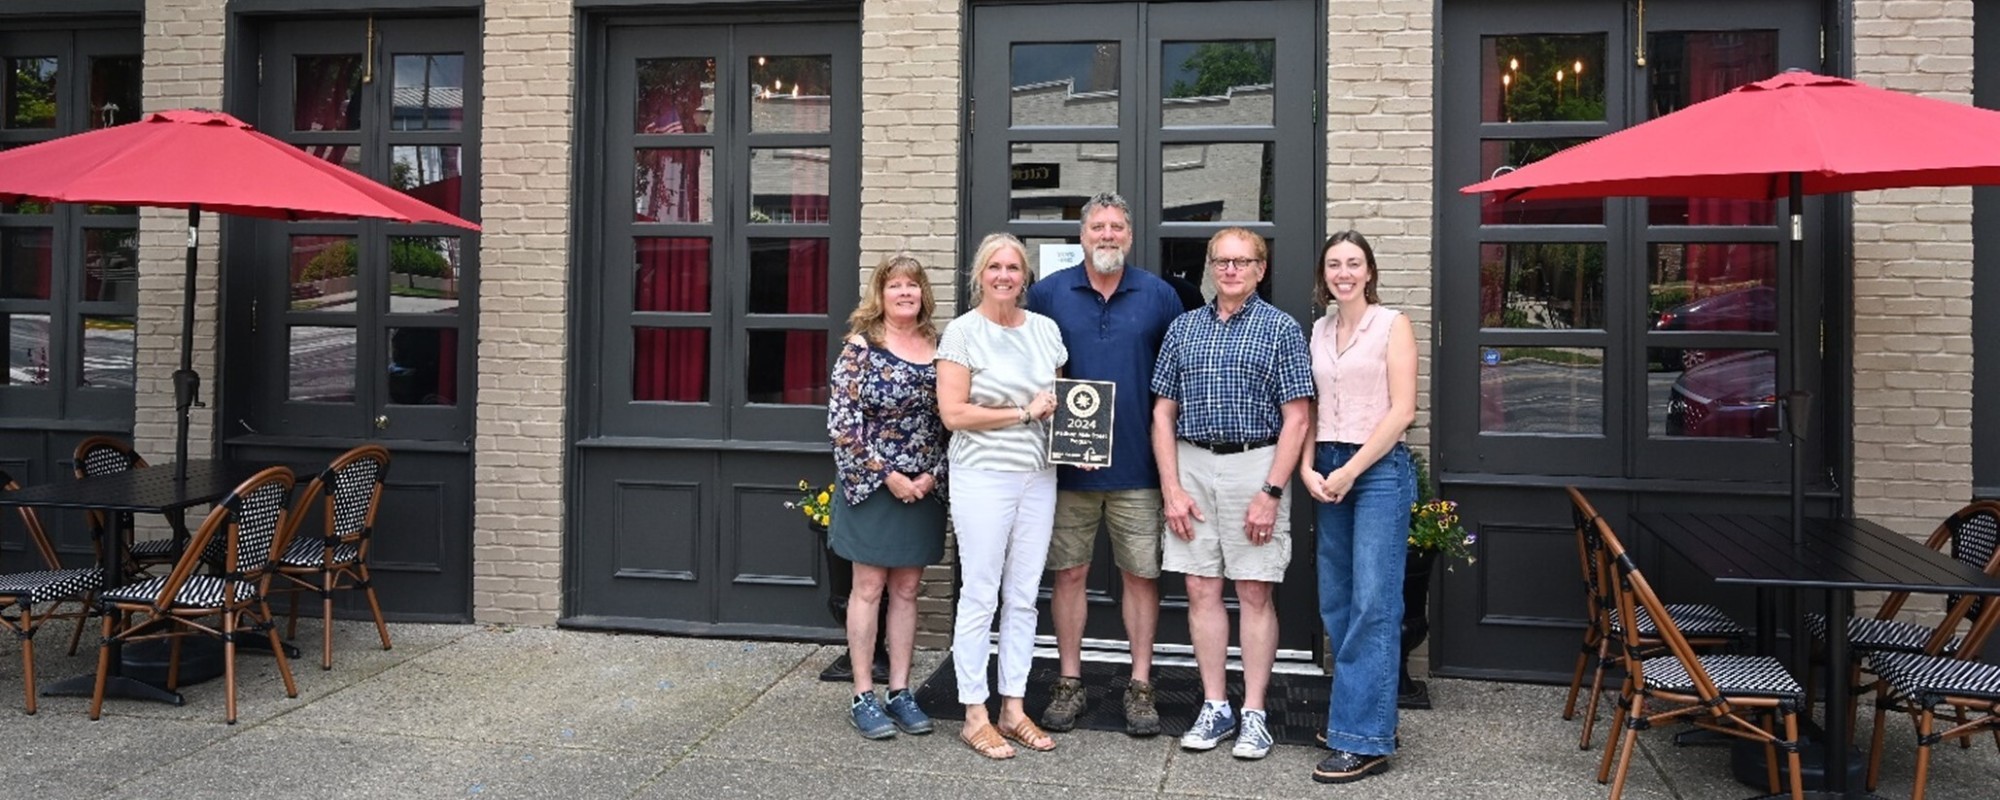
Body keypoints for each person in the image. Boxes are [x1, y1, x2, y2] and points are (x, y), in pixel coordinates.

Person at [1025, 192, 1187, 737]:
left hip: (1139, 468)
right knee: (1068, 574)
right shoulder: (1047, 295)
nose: (1108, 235)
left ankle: (1141, 685)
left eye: (1117, 226)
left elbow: (1176, 380)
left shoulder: (1160, 295)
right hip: (1067, 468)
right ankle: (1069, 681)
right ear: (1082, 235)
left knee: (1141, 576)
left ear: (1131, 235)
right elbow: (1027, 370)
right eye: (1098, 226)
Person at [1149, 227, 1313, 761]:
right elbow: (1162, 412)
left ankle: (1256, 713)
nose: (1231, 270)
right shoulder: (1183, 328)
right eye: (1222, 261)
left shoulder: (1281, 329)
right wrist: (1171, 487)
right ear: (1210, 267)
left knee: (1254, 592)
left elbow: (1297, 418)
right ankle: (1216, 705)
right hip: (1192, 465)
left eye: (1243, 261)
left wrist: (1271, 491)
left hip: (1255, 465)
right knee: (1200, 589)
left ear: (1261, 269)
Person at [936, 233, 1068, 759]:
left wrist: (1078, 441)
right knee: (980, 593)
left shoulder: (1046, 330)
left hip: (1038, 475)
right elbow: (954, 414)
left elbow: (1058, 404)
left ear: (1025, 275)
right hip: (983, 475)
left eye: (1014, 267)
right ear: (979, 274)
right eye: (995, 266)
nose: (1005, 275)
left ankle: (1013, 707)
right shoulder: (963, 333)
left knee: (1023, 595)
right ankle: (974, 713)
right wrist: (1021, 414)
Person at [1299, 230, 1417, 784]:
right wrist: (1307, 466)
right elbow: (1310, 406)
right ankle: (1358, 715)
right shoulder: (1319, 330)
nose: (1343, 273)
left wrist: (1350, 470)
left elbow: (1402, 412)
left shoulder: (1393, 326)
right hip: (1328, 465)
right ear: (1324, 276)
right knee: (1338, 602)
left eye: (1353, 264)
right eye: (1334, 265)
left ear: (1370, 272)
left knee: (1374, 602)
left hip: (1378, 471)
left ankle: (1364, 739)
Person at [826, 254, 950, 740]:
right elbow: (842, 426)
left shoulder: (939, 346)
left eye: (913, 286)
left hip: (923, 489)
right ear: (880, 294)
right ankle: (863, 694)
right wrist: (887, 474)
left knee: (905, 589)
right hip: (872, 488)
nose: (905, 293)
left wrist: (932, 476)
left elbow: (950, 422)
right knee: (869, 588)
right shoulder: (860, 348)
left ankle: (900, 691)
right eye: (895, 285)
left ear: (923, 294)